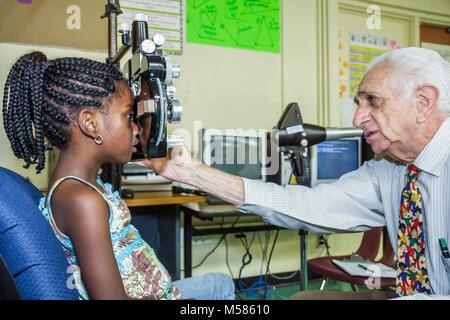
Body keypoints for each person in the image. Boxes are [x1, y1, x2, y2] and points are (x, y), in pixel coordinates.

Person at [144, 47, 450, 300]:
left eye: (372, 101)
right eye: (358, 103)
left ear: (423, 103)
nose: (358, 118)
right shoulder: (390, 172)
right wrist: (193, 173)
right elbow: (307, 205)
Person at [2, 51, 235, 300]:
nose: (136, 129)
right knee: (221, 289)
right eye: (127, 116)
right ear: (90, 124)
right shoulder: (82, 200)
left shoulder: (86, 188)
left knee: (219, 282)